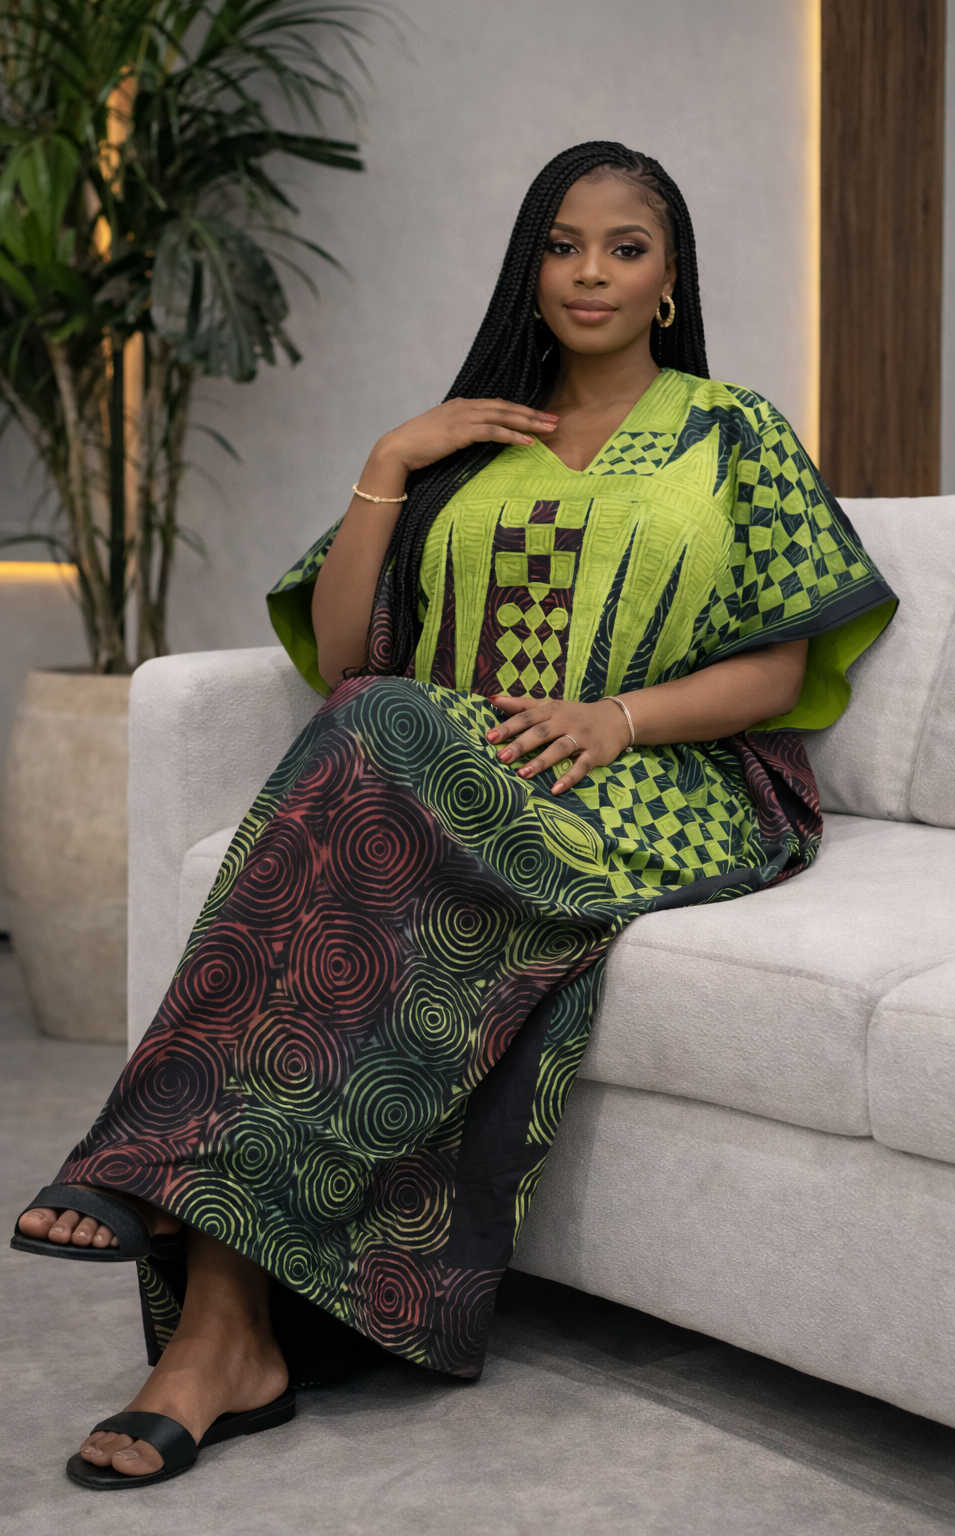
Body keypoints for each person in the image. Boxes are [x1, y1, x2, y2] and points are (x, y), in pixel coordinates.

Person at [13, 141, 896, 1490]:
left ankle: (145, 1176)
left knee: (373, 736)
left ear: (670, 278)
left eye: (625, 246)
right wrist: (387, 462)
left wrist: (617, 718)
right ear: (528, 268)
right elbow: (342, 643)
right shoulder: (471, 437)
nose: (590, 271)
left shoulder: (734, 431)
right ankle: (221, 1334)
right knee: (359, 800)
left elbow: (780, 668)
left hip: (655, 785)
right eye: (562, 244)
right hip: (448, 770)